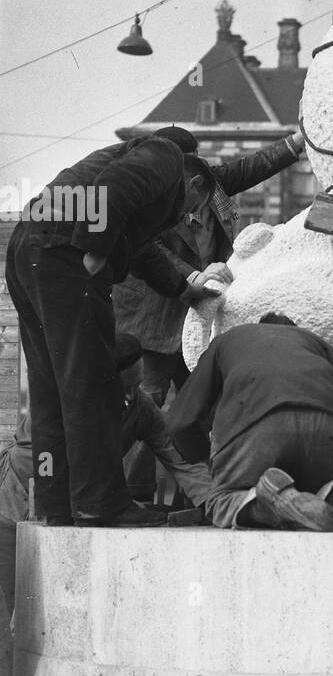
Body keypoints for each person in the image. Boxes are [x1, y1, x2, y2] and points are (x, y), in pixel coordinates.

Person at [3, 133, 214, 528]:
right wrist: (95, 250)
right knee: (94, 383)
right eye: (192, 207)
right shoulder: (166, 155)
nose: (187, 217)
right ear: (191, 179)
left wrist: (184, 289)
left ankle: (55, 502)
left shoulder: (111, 178)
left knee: (52, 389)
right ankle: (101, 505)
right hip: (64, 254)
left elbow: (142, 251)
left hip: (28, 249)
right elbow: (112, 189)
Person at [113, 125, 309, 500]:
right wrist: (194, 275)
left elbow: (255, 165)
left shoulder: (211, 184)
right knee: (147, 404)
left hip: (200, 321)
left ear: (194, 177)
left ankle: (202, 494)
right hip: (153, 323)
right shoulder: (150, 198)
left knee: (200, 409)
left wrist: (299, 142)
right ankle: (133, 494)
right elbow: (149, 250)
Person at [0, 333, 212, 617]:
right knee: (16, 606)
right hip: (17, 502)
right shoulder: (59, 403)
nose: (129, 396)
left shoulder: (140, 407)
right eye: (123, 387)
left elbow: (177, 459)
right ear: (99, 380)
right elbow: (42, 462)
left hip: (76, 505)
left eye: (136, 386)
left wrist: (213, 501)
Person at [166, 314, 333, 532]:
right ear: (295, 330)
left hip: (261, 425)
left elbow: (179, 420)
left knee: (220, 499)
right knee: (313, 490)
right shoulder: (317, 344)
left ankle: (268, 501)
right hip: (328, 427)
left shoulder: (229, 339)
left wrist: (206, 461)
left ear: (259, 326)